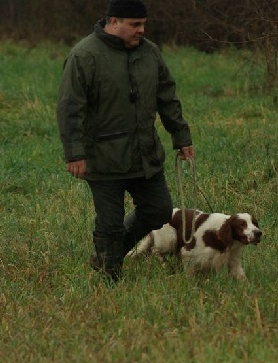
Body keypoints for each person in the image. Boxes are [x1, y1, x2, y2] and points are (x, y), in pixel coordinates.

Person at [56, 0, 195, 282]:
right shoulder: (84, 56)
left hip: (145, 155)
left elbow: (167, 96)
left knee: (159, 211)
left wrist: (181, 136)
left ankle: (109, 255)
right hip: (103, 158)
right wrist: (75, 154)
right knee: (109, 223)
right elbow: (70, 109)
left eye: (143, 24)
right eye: (135, 25)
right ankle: (110, 279)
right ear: (114, 21)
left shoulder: (150, 53)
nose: (141, 30)